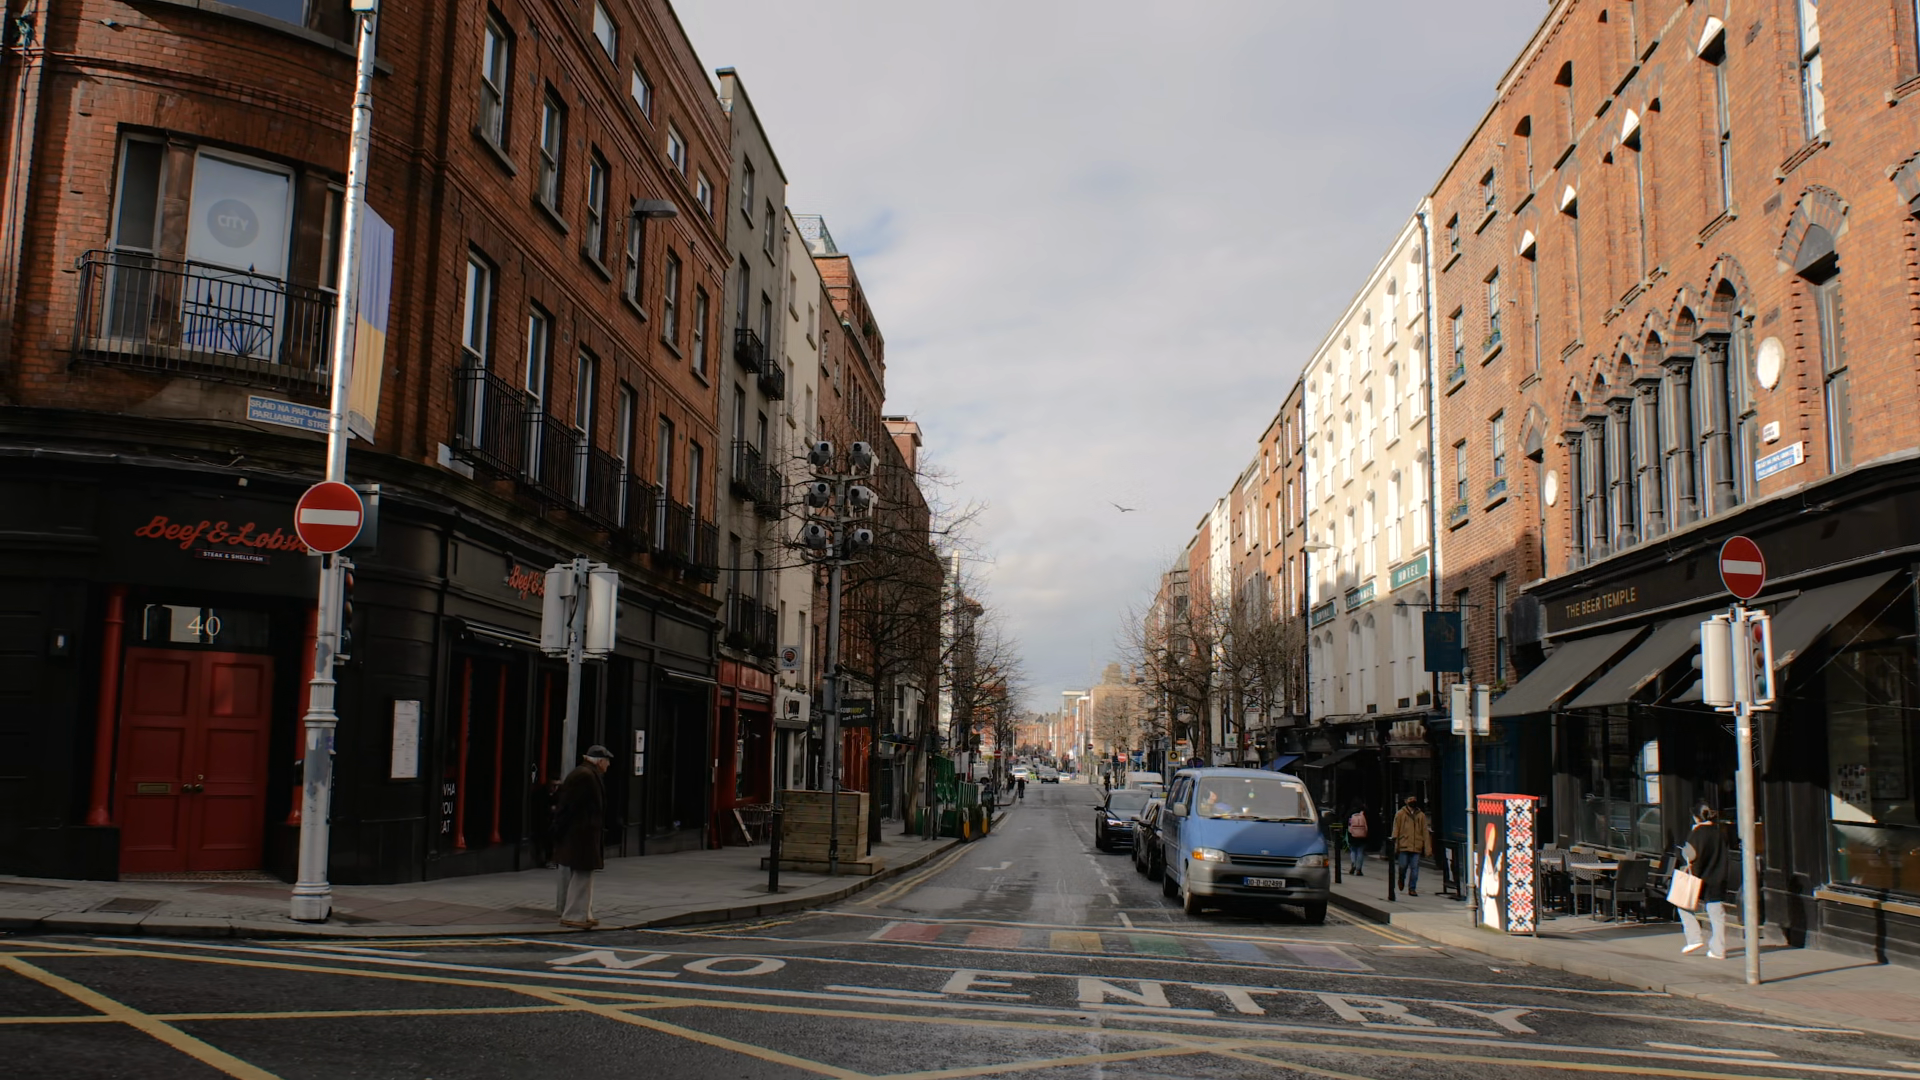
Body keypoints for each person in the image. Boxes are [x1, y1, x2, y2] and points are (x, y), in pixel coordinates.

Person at [553, 745, 611, 929]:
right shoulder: (584, 776)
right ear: (599, 761)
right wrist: (560, 830)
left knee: (585, 874)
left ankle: (584, 914)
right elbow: (569, 806)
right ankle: (574, 915)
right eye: (607, 761)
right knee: (582, 874)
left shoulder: (588, 774)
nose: (608, 765)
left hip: (584, 834)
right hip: (580, 835)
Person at [1678, 804, 1731, 960]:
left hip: (1699, 878)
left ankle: (1694, 938)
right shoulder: (1719, 832)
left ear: (1696, 817)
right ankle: (1718, 949)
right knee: (1717, 915)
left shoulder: (1697, 834)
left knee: (1683, 906)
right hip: (1718, 877)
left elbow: (1691, 856)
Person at [1390, 795, 1432, 896]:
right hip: (1404, 845)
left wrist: (1428, 848)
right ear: (1405, 801)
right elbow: (1396, 829)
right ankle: (1401, 879)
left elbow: (1425, 832)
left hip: (1416, 846)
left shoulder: (1421, 815)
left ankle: (1412, 888)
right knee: (1402, 866)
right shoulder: (1400, 814)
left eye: (1414, 799)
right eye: (1410, 799)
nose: (1413, 801)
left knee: (1415, 869)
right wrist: (1395, 844)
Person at [1345, 805, 1369, 876]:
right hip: (1362, 835)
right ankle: (1359, 869)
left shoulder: (1350, 813)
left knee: (1353, 850)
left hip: (1353, 835)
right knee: (1360, 851)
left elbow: (1348, 824)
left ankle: (1353, 863)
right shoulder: (1364, 814)